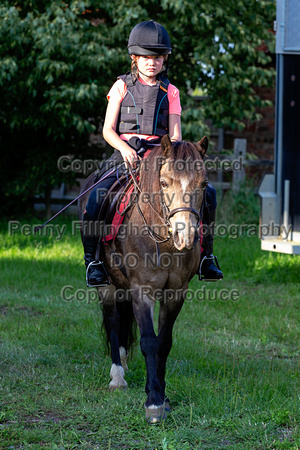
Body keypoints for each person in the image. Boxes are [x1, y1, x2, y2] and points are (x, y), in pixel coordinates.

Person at [82, 20, 223, 287]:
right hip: (125, 154)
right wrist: (124, 149)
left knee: (210, 194)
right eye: (146, 57)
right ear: (135, 58)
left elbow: (176, 136)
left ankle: (206, 255)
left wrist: (165, 156)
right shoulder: (121, 86)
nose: (152, 63)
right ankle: (94, 261)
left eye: (157, 57)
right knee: (96, 198)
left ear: (164, 59)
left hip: (162, 157)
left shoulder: (171, 92)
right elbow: (107, 130)